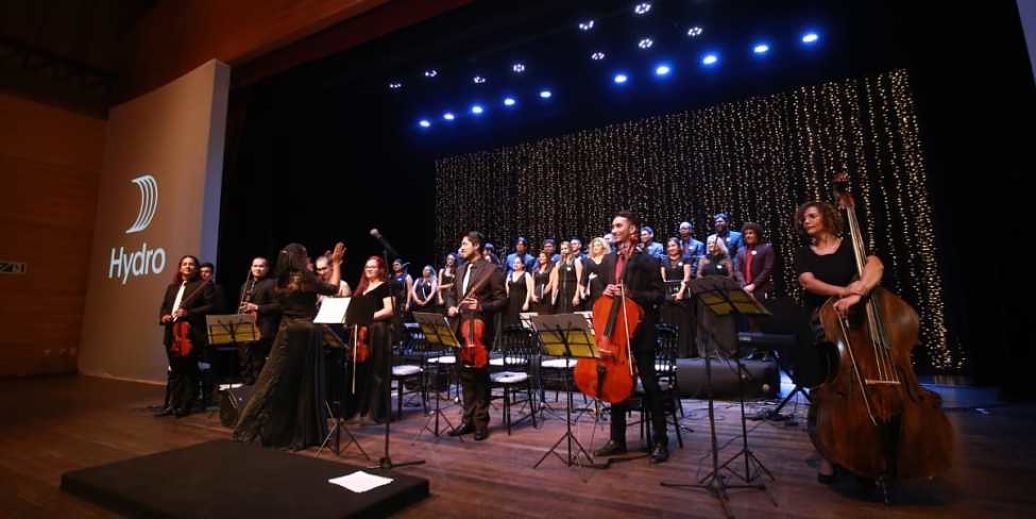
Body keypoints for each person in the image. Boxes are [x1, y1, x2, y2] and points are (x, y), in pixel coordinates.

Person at [793, 201, 884, 483]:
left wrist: (859, 293)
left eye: (812, 216)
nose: (806, 221)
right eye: (803, 219)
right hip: (820, 323)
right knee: (825, 388)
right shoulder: (805, 253)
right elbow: (808, 282)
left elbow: (875, 265)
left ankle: (866, 446)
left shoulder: (849, 246)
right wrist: (844, 291)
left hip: (855, 321)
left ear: (827, 217)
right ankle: (827, 452)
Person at [233, 242, 346, 450]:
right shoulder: (305, 277)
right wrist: (337, 263)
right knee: (304, 382)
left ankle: (266, 428)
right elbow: (333, 289)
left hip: (286, 331)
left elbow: (282, 306)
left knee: (279, 380)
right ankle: (304, 430)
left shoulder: (279, 280)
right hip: (305, 332)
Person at [593, 211, 669, 463]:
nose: (614, 230)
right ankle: (617, 440)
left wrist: (632, 294)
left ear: (632, 229)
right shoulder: (609, 260)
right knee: (616, 384)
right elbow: (598, 288)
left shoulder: (647, 260)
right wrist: (605, 290)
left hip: (641, 331)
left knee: (650, 384)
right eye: (612, 226)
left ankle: (660, 440)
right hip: (616, 334)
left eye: (619, 226)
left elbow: (659, 295)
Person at [446, 231, 507, 441]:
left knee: (480, 377)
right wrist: (450, 306)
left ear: (476, 245)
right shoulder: (460, 269)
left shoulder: (492, 270)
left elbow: (502, 301)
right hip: (460, 330)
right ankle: (467, 421)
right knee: (465, 377)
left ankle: (481, 422)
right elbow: (451, 294)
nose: (461, 248)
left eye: (465, 244)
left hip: (480, 332)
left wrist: (482, 306)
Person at [158, 255, 216, 417]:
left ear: (196, 269)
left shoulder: (203, 286)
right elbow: (165, 307)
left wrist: (188, 313)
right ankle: (172, 405)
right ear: (180, 267)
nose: (188, 266)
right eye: (185, 264)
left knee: (189, 373)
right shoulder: (172, 287)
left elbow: (211, 306)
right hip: (171, 334)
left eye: (191, 264)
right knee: (175, 372)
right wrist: (164, 316)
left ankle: (185, 406)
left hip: (190, 334)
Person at [352, 255, 398, 424]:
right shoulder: (363, 287)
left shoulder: (385, 286)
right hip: (363, 333)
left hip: (379, 332)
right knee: (364, 372)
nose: (369, 269)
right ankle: (361, 410)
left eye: (373, 267)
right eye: (367, 267)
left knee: (377, 372)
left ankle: (376, 412)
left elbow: (389, 310)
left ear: (381, 269)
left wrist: (368, 316)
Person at [238, 256, 278, 384]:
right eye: (255, 266)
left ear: (267, 268)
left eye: (261, 266)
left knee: (258, 362)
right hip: (245, 327)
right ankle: (246, 385)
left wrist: (256, 307)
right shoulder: (246, 285)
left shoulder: (272, 283)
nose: (258, 269)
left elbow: (278, 306)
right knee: (244, 360)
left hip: (263, 328)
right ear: (251, 268)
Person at [734, 222, 776, 300]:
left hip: (761, 289)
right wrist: (744, 286)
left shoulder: (766, 248)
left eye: (751, 233)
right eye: (746, 234)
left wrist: (753, 285)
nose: (748, 236)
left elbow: (767, 269)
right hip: (744, 289)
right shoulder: (741, 251)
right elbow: (737, 270)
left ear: (757, 234)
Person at [504, 255, 534, 328]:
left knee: (521, 324)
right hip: (511, 302)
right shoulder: (510, 274)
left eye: (518, 263)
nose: (515, 264)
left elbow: (529, 290)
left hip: (521, 301)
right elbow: (507, 288)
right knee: (511, 323)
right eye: (514, 263)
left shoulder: (526, 275)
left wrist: (526, 302)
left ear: (523, 264)